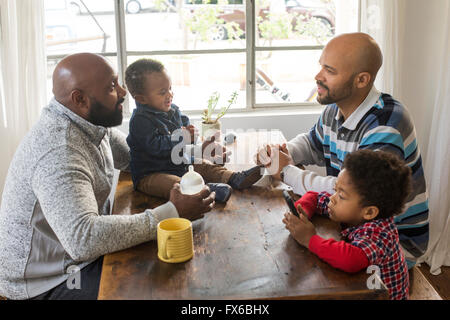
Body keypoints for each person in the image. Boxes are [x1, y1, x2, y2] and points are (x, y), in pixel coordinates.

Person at [0, 53, 215, 300]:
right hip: (49, 282)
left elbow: (138, 158)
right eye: (112, 87)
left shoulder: (90, 125)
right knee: (161, 289)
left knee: (173, 265)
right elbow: (84, 238)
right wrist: (173, 212)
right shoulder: (60, 150)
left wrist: (198, 154)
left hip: (79, 258)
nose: (124, 92)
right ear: (79, 99)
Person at [256, 32, 428, 268]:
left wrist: (286, 172)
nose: (318, 76)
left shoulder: (386, 123)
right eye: (321, 67)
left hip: (393, 244)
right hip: (353, 222)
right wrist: (286, 153)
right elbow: (313, 143)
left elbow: (350, 191)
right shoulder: (336, 107)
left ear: (361, 80)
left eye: (330, 71)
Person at [125, 58, 262, 202]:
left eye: (170, 88)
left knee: (204, 166)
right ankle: (208, 190)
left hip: (180, 163)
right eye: (163, 92)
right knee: (176, 185)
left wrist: (192, 136)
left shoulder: (173, 110)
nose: (170, 94)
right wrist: (182, 138)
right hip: (152, 174)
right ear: (141, 99)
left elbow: (184, 139)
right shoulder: (140, 121)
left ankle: (234, 178)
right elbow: (155, 147)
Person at [283, 149, 411, 300]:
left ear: (369, 212)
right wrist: (302, 211)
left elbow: (350, 259)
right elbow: (315, 197)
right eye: (335, 189)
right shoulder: (350, 210)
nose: (333, 198)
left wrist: (310, 239)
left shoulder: (380, 234)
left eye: (341, 195)